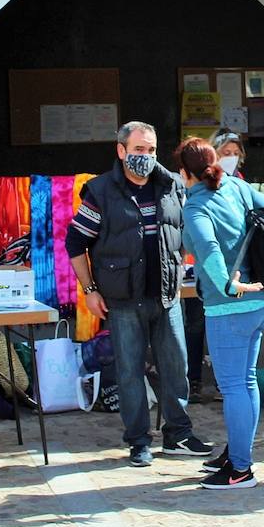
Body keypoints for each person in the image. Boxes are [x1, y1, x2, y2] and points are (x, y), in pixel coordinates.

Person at [67, 122, 211, 467]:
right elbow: (75, 242)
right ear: (121, 151)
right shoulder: (100, 191)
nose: (144, 157)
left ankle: (178, 436)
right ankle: (138, 442)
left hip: (166, 296)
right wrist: (89, 290)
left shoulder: (172, 186)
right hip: (122, 300)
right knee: (130, 373)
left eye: (150, 150)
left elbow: (184, 235)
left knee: (176, 367)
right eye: (137, 150)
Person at [177, 137, 264, 490]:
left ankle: (240, 470)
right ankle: (237, 453)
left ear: (184, 172)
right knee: (246, 382)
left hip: (229, 306)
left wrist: (229, 285)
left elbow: (206, 248)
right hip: (263, 300)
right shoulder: (236, 186)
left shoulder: (195, 204)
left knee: (234, 386)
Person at [182, 131, 248, 400]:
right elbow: (203, 243)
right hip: (205, 273)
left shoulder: (239, 184)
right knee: (196, 325)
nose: (231, 159)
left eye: (235, 154)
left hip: (236, 270)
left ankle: (228, 383)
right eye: (225, 153)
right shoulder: (195, 188)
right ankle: (194, 381)